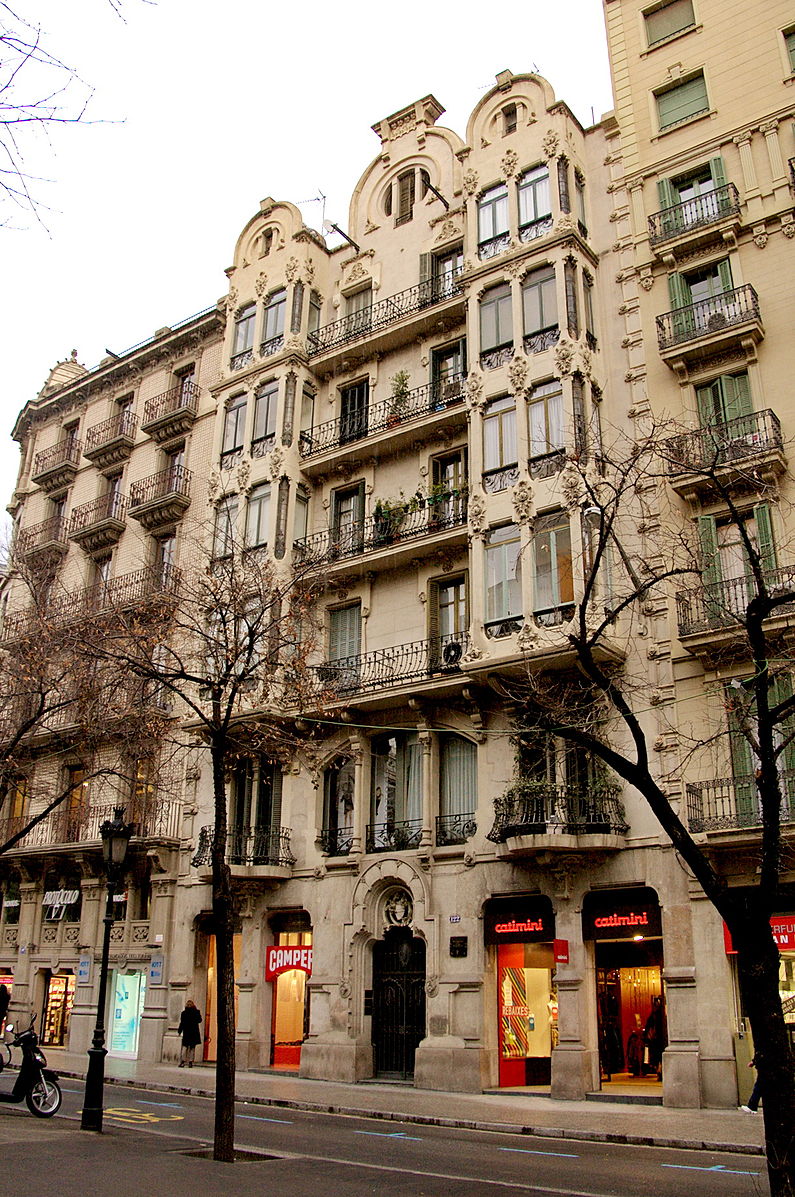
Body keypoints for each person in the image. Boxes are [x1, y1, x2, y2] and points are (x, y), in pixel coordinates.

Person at [177, 999, 202, 1068]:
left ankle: (182, 1061)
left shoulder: (184, 1013)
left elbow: (182, 1023)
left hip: (187, 1032)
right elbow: (200, 1020)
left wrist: (179, 1031)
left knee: (185, 1047)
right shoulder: (196, 1012)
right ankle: (190, 1062)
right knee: (192, 1048)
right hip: (194, 1032)